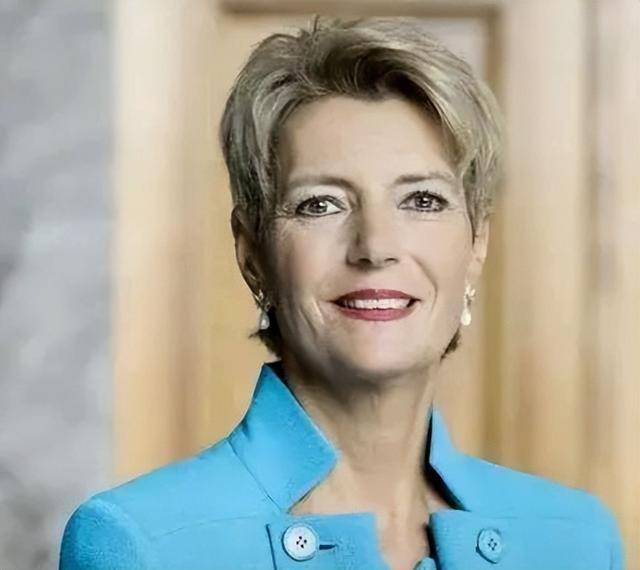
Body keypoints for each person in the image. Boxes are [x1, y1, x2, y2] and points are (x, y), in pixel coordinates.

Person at [59, 16, 624, 570]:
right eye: (321, 204)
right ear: (252, 254)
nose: (375, 246)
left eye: (422, 200)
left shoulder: (577, 542)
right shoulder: (141, 544)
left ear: (476, 245)